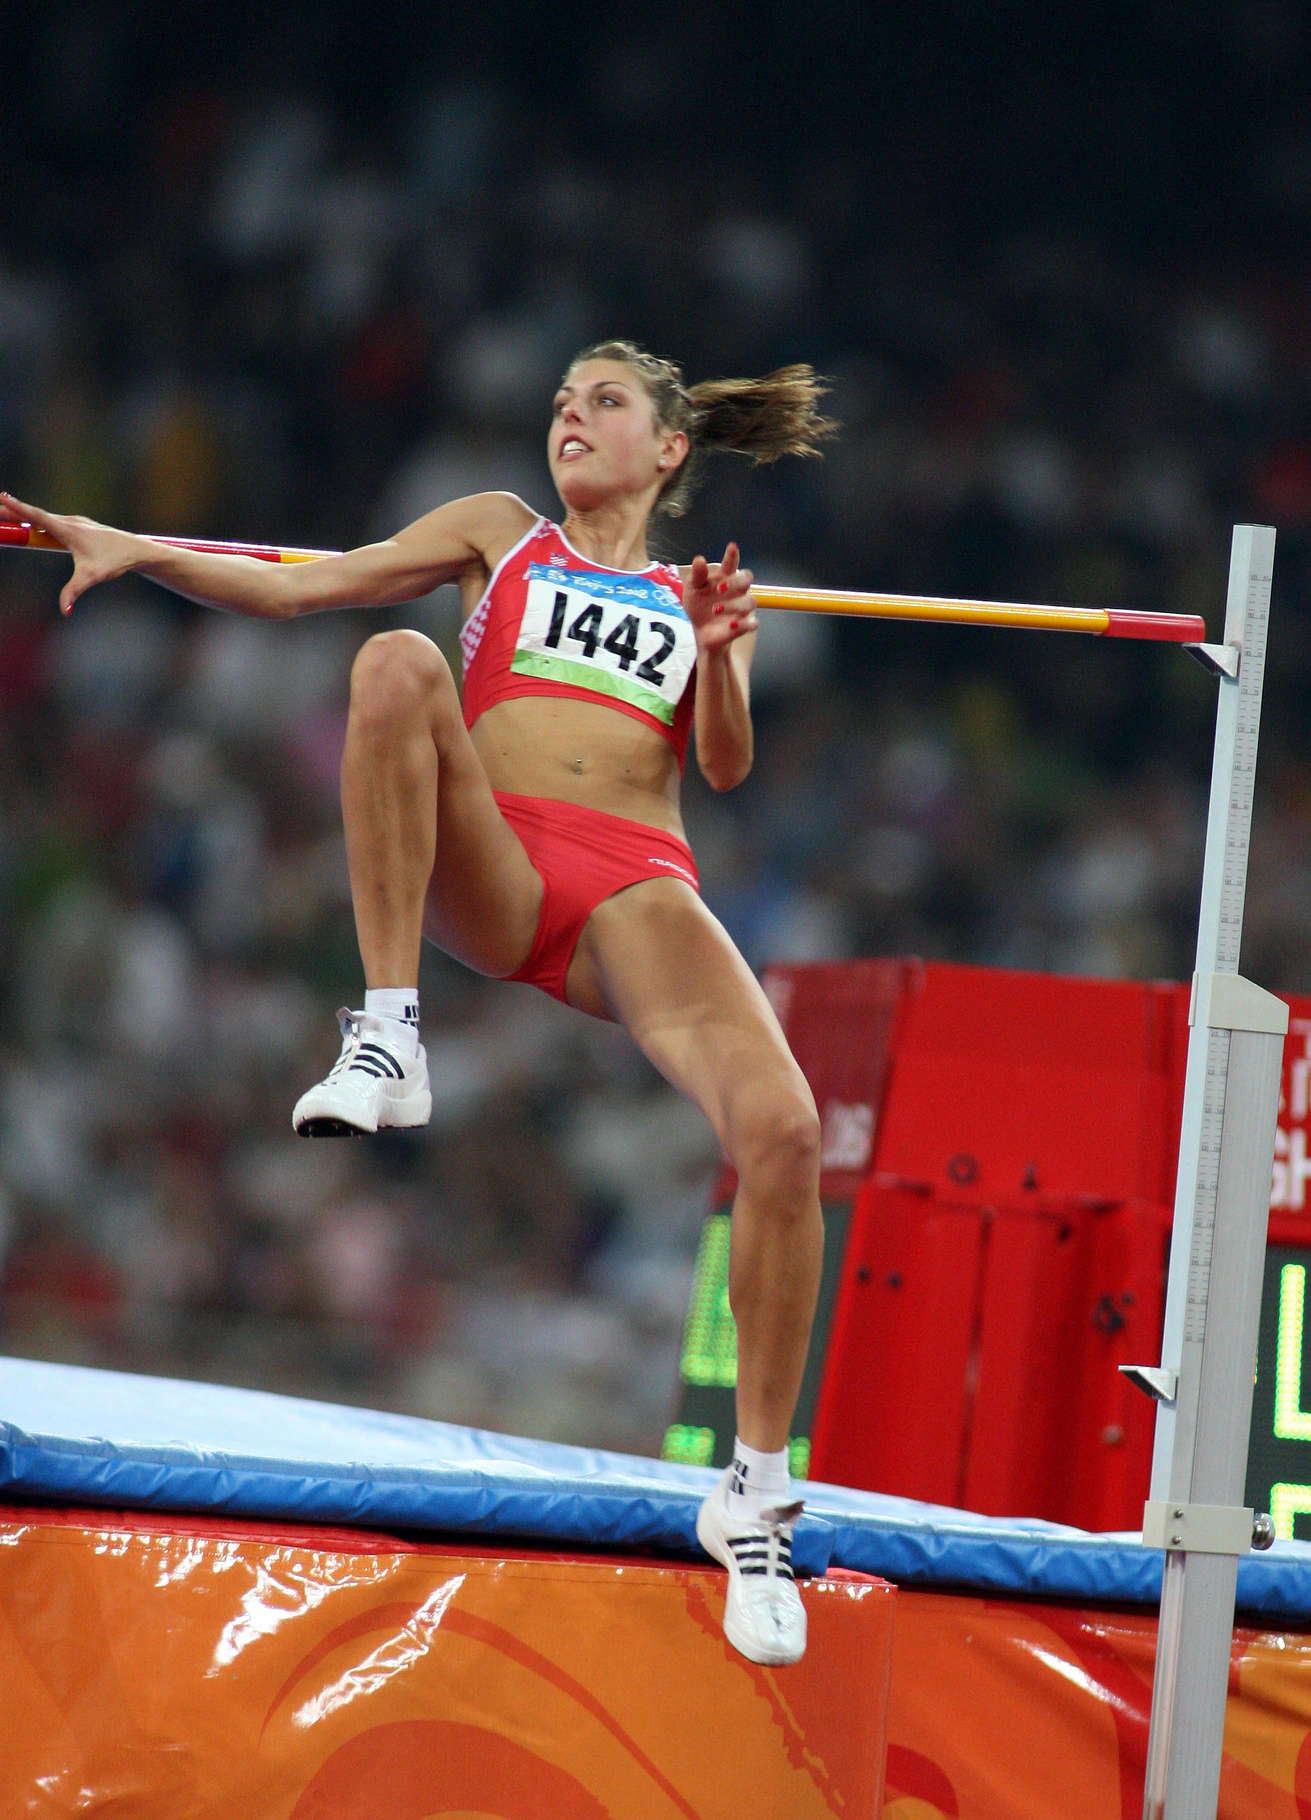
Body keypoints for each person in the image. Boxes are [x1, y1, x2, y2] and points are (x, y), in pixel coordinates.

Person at [0, 339, 836, 1666]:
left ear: (669, 446)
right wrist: (134, 546)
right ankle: (388, 1032)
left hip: (636, 886)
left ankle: (754, 1498)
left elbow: (723, 769)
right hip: (493, 859)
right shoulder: (500, 534)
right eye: (560, 400)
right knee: (394, 659)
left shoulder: (687, 592)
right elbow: (302, 586)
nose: (569, 416)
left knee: (787, 1132)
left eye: (603, 401)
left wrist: (725, 651)